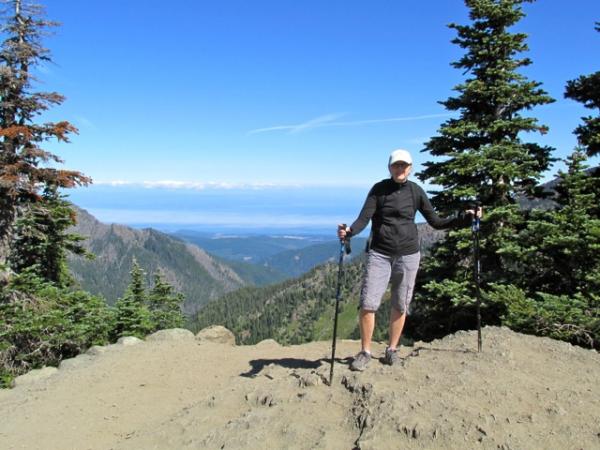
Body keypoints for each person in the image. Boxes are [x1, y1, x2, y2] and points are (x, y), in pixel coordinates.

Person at [337, 148, 482, 371]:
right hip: (380, 254)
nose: (400, 169)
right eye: (396, 165)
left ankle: (391, 350)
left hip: (408, 255)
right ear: (389, 168)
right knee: (368, 303)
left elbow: (435, 221)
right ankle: (365, 351)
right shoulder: (379, 190)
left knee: (400, 304)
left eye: (404, 165)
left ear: (410, 168)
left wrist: (463, 219)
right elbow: (363, 219)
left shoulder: (416, 191)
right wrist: (349, 231)